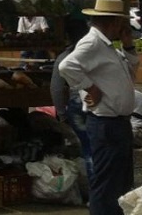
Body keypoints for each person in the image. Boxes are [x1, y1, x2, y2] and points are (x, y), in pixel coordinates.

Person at [58, 0, 138, 215]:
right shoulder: (92, 42)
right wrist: (89, 87)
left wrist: (128, 45)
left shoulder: (107, 45)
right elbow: (67, 66)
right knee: (107, 184)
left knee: (120, 182)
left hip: (118, 123)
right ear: (113, 22)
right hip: (106, 123)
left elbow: (131, 73)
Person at [50, 17, 92, 177]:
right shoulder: (98, 52)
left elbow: (56, 88)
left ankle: (91, 190)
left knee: (86, 149)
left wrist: (61, 114)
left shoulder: (65, 56)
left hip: (78, 105)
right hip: (102, 105)